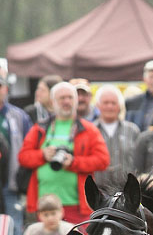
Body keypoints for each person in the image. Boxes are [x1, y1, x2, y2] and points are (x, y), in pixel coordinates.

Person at [18, 81, 110, 224]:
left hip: (77, 205)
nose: (66, 102)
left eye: (70, 97)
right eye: (62, 98)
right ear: (53, 102)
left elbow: (103, 160)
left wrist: (74, 162)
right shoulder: (40, 128)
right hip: (43, 207)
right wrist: (42, 155)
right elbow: (23, 157)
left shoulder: (89, 129)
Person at [0, 68, 32, 235]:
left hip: (11, 184)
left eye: (0, 86)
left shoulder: (19, 116)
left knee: (15, 232)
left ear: (6, 88)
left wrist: (23, 183)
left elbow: (28, 150)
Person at [92, 84, 140, 190]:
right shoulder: (90, 130)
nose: (110, 106)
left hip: (126, 192)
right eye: (106, 103)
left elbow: (139, 161)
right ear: (98, 106)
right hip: (98, 192)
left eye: (113, 103)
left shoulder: (132, 130)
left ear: (119, 106)